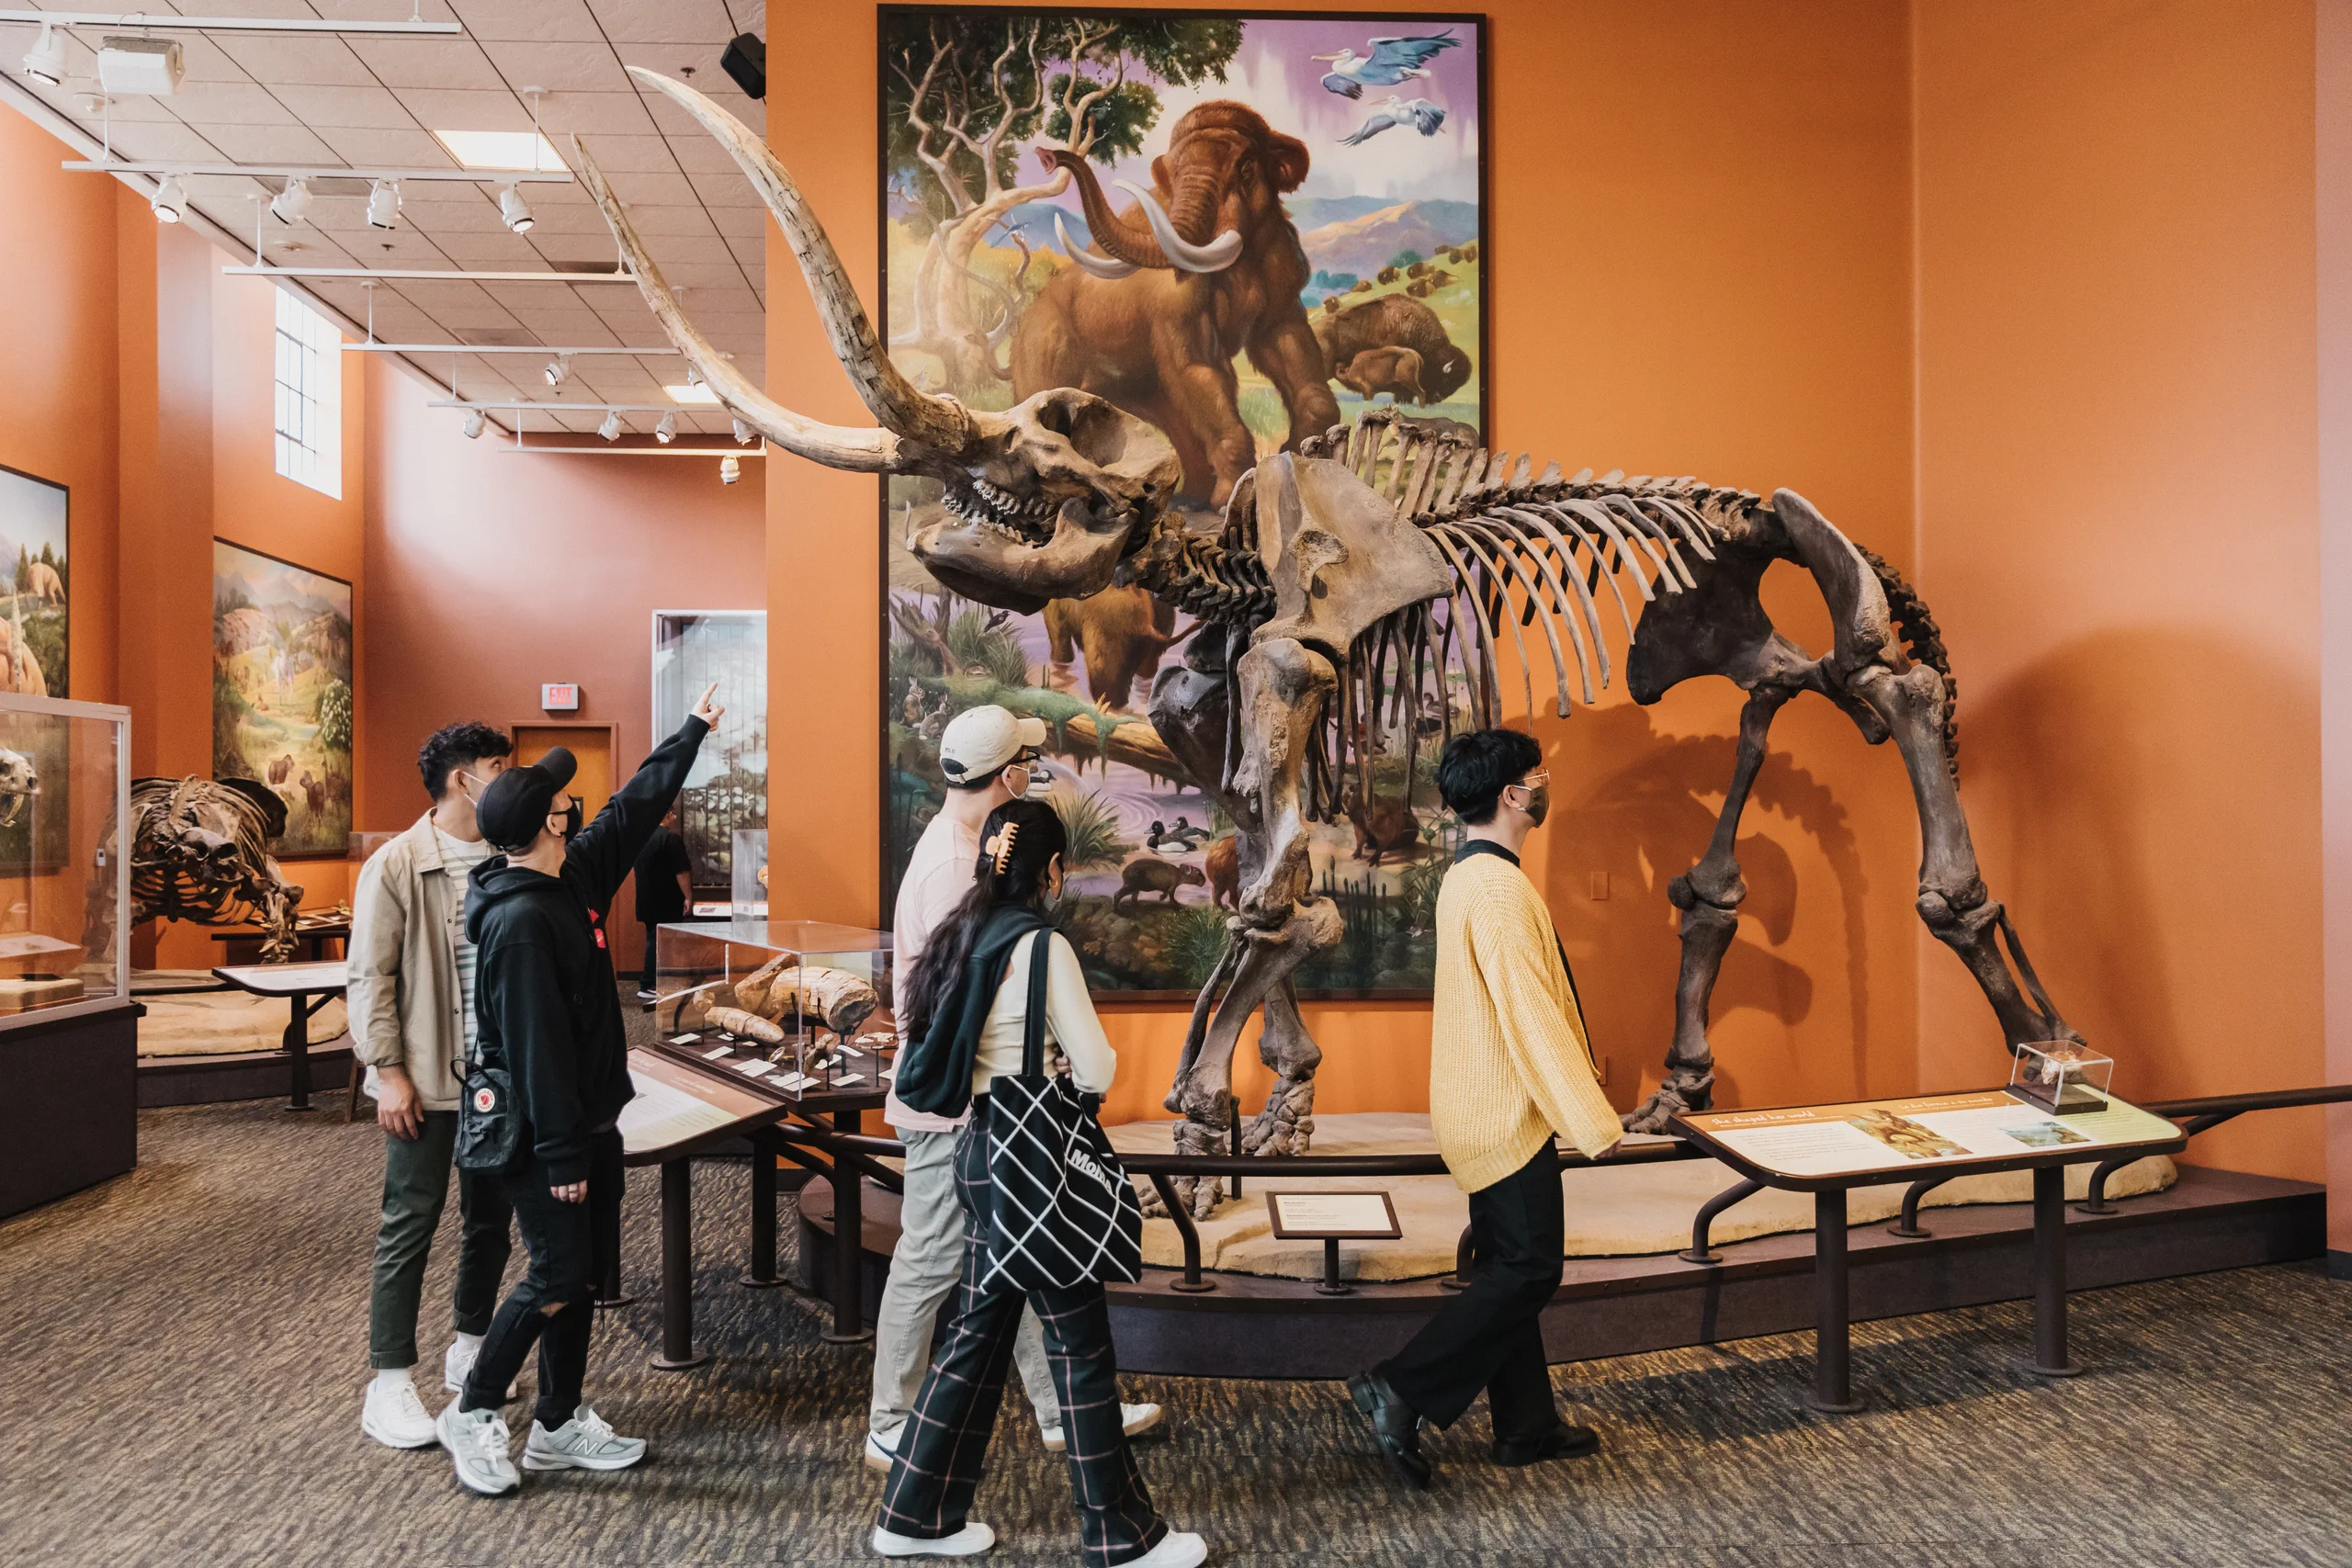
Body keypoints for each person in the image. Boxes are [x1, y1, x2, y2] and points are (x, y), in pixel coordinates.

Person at [873, 800, 1204, 1568]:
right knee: (1081, 1348)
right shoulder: (1042, 946)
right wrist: (1058, 1067)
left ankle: (913, 1512)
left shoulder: (962, 935)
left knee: (975, 1338)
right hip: (1035, 1165)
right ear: (1050, 871)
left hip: (980, 1152)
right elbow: (1097, 1067)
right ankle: (1120, 1535)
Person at [433, 686, 722, 1497]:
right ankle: (476, 1406)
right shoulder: (522, 921)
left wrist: (692, 732)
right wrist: (563, 1149)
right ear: (547, 824)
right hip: (542, 1132)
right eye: (563, 798)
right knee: (556, 1277)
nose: (574, 801)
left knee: (584, 1277)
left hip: (590, 1122)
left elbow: (635, 805)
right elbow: (536, 1052)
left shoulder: (571, 877)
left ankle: (557, 1423)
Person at [866, 705, 1160, 1471]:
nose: (1034, 768)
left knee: (1020, 1251)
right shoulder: (948, 867)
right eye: (1029, 759)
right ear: (1008, 776)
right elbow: (943, 1010)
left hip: (985, 1104)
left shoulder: (975, 850)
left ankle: (1062, 1410)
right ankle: (889, 1418)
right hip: (952, 1108)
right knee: (930, 1256)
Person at [1347, 728, 1622, 1489]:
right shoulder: (1496, 887)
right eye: (1537, 775)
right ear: (1511, 794)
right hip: (1505, 1112)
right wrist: (1592, 1117)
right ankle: (1399, 1388)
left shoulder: (1470, 874)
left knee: (1510, 1265)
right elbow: (1528, 1010)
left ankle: (1526, 1424)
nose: (1544, 783)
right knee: (1531, 1268)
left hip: (1480, 1101)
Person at [347, 720, 517, 1450]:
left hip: (498, 1079)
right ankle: (387, 1382)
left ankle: (471, 1345)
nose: (506, 777)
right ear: (460, 778)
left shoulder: (510, 855)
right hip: (422, 1078)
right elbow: (369, 977)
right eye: (495, 766)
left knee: (489, 1220)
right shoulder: (395, 864)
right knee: (409, 1222)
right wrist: (387, 1073)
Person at [631, 805, 693, 1000]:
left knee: (654, 939)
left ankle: (655, 982)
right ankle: (648, 984)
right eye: (672, 813)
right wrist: (688, 897)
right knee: (658, 942)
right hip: (666, 900)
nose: (674, 817)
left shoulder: (641, 839)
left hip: (646, 899)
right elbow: (681, 872)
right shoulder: (670, 839)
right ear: (666, 814)